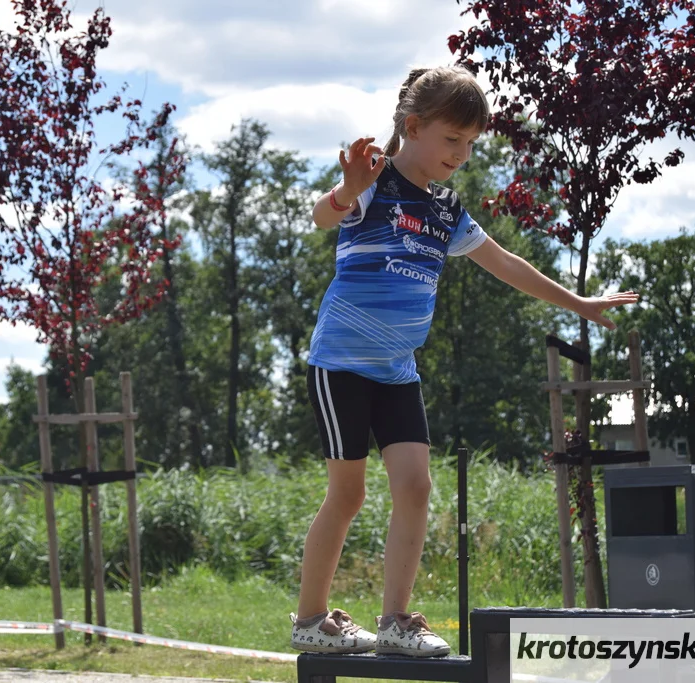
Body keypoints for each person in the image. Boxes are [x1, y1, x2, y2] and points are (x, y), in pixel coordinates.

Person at [290, 65, 639, 657]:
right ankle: (310, 620)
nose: (463, 153)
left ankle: (396, 620)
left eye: (471, 143)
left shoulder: (447, 210)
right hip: (342, 363)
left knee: (417, 488)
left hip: (398, 370)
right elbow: (322, 218)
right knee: (347, 496)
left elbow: (506, 264)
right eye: (452, 140)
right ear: (413, 127)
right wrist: (347, 189)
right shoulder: (373, 181)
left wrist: (575, 300)